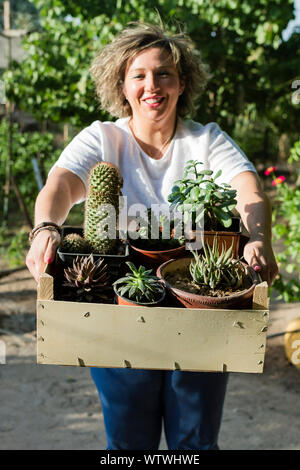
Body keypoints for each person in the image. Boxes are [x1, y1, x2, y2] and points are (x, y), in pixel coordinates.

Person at [26, 21, 278, 450]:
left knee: (195, 444)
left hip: (199, 304)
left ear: (182, 83)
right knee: (128, 446)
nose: (152, 85)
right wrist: (46, 228)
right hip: (118, 305)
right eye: (138, 75)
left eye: (164, 73)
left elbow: (248, 190)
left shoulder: (206, 141)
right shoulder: (102, 138)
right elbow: (60, 186)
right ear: (122, 86)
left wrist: (257, 238)